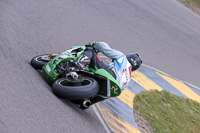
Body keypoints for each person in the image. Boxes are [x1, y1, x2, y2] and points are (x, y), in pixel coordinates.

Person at [71, 42, 142, 109]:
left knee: (91, 51)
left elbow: (105, 49)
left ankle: (80, 64)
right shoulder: (128, 80)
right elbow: (113, 92)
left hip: (110, 76)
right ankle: (87, 102)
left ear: (128, 57)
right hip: (107, 92)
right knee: (110, 91)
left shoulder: (122, 58)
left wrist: (95, 45)